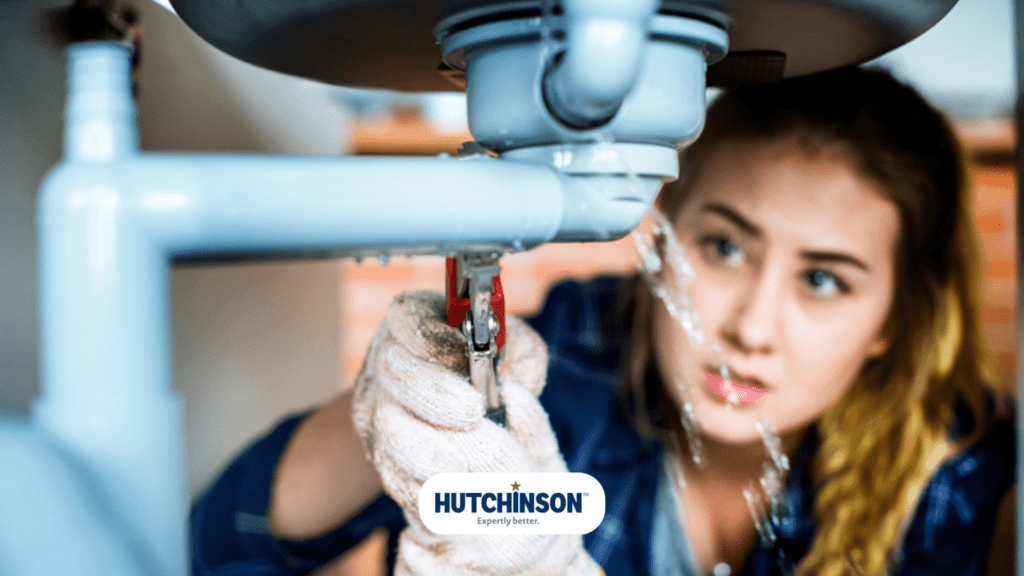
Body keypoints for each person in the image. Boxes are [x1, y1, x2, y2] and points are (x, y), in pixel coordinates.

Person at [190, 67, 1015, 576]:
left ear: (889, 323)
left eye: (825, 281)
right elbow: (222, 545)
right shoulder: (574, 357)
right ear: (664, 229)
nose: (751, 327)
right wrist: (381, 409)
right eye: (725, 246)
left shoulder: (946, 467)